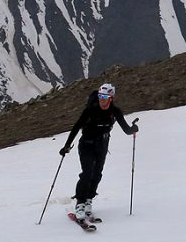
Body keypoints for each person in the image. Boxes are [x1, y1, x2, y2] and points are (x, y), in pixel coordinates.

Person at [59, 82, 138, 223]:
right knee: (87, 173)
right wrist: (66, 146)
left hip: (102, 145)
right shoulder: (90, 110)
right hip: (86, 144)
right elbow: (77, 126)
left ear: (111, 98)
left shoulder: (115, 111)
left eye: (105, 96)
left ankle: (89, 199)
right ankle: (80, 203)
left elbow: (126, 130)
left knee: (97, 173)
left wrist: (133, 129)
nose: (102, 99)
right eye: (101, 96)